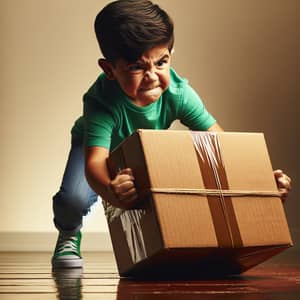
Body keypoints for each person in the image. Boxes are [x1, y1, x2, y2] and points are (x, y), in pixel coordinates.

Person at [51, 0, 292, 269]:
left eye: (161, 62)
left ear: (171, 54)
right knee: (74, 199)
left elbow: (222, 145)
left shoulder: (178, 93)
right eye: (136, 67)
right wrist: (110, 190)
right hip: (96, 146)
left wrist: (261, 182)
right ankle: (69, 234)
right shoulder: (101, 102)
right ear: (109, 69)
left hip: (141, 150)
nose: (152, 76)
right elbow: (95, 163)